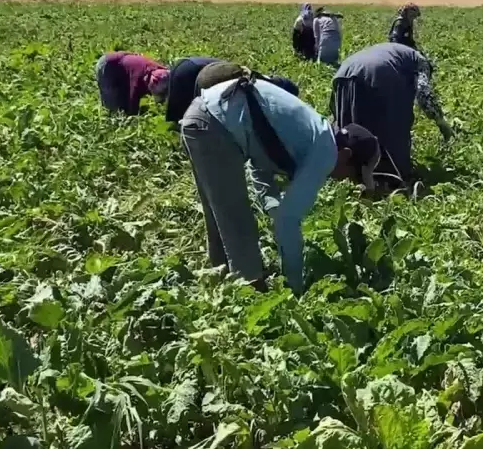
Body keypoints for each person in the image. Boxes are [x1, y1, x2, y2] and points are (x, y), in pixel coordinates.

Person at [180, 62, 379, 293]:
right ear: (345, 155)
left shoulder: (307, 134)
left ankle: (220, 285)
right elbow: (288, 221)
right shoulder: (325, 150)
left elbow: (259, 165)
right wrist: (294, 287)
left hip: (200, 117)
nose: (345, 181)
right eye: (352, 175)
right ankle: (250, 293)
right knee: (236, 220)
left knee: (219, 217)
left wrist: (273, 205)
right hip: (213, 125)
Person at [330, 42, 454, 190]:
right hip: (379, 73)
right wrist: (442, 124)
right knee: (394, 128)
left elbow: (334, 107)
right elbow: (424, 95)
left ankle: (349, 175)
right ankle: (392, 178)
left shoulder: (396, 51)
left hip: (344, 71)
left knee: (352, 129)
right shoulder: (421, 63)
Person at [166, 57, 300, 125]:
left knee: (185, 115)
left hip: (187, 66)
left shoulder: (261, 88)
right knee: (186, 116)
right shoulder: (255, 85)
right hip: (194, 72)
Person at [94, 51, 170, 115]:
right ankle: (109, 123)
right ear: (153, 82)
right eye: (161, 93)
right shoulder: (137, 81)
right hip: (107, 65)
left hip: (124, 61)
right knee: (112, 106)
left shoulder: (163, 72)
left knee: (123, 98)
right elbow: (133, 105)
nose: (162, 95)